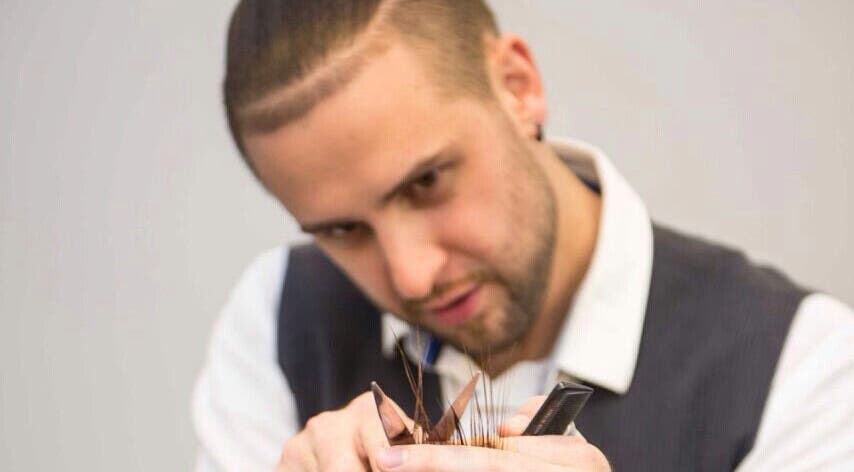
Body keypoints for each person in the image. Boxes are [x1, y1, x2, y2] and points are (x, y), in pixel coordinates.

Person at [193, 1, 854, 470]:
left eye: (427, 181)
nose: (412, 275)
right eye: (342, 230)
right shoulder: (276, 321)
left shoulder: (801, 371)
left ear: (518, 86)